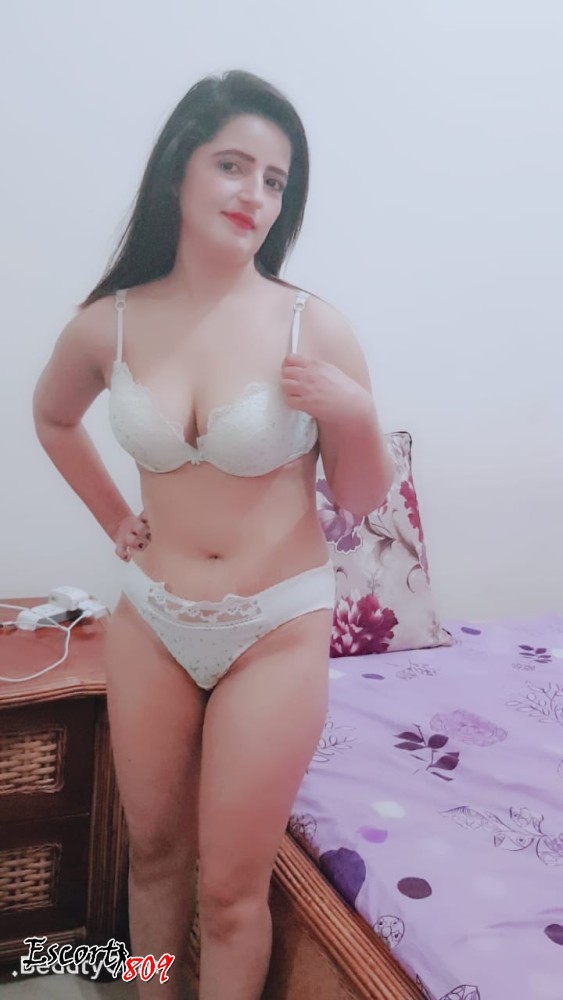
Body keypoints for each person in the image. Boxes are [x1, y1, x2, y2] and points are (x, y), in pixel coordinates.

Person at [32, 70, 394, 1000]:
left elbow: (360, 500)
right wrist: (117, 521)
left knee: (231, 892)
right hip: (151, 617)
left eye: (274, 180)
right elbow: (53, 418)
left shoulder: (313, 325)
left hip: (274, 628)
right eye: (232, 166)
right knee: (152, 861)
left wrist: (353, 412)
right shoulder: (110, 323)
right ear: (177, 172)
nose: (254, 195)